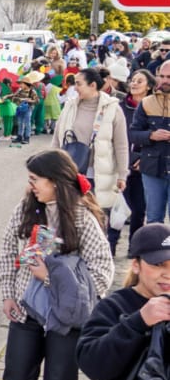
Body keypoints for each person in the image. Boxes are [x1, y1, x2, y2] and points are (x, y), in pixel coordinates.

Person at [0, 149, 114, 380]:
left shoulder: (81, 218)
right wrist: (7, 294)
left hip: (67, 322)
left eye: (36, 179)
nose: (31, 185)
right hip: (26, 313)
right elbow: (7, 251)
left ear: (56, 182)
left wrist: (51, 278)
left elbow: (103, 271)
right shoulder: (26, 210)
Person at [77, 222, 170, 380]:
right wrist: (138, 321)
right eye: (158, 265)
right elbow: (92, 363)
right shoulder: (115, 306)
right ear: (137, 265)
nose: (167, 274)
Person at [51, 67, 129, 242]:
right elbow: (57, 137)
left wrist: (123, 174)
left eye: (79, 84)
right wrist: (50, 165)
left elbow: (121, 144)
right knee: (68, 215)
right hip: (70, 172)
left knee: (96, 217)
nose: (75, 87)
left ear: (93, 85)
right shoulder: (70, 106)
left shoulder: (112, 109)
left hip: (98, 173)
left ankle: (97, 255)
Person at [130, 60, 170, 224]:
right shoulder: (147, 102)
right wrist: (151, 135)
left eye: (169, 77)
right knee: (153, 219)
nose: (165, 80)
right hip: (153, 168)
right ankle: (155, 250)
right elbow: (133, 133)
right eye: (162, 76)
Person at [119, 70, 156, 243]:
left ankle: (134, 245)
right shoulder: (120, 106)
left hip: (143, 163)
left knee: (139, 208)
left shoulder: (154, 108)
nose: (133, 84)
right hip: (120, 163)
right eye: (132, 80)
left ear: (149, 86)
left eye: (139, 81)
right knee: (118, 207)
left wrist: (142, 157)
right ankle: (111, 245)